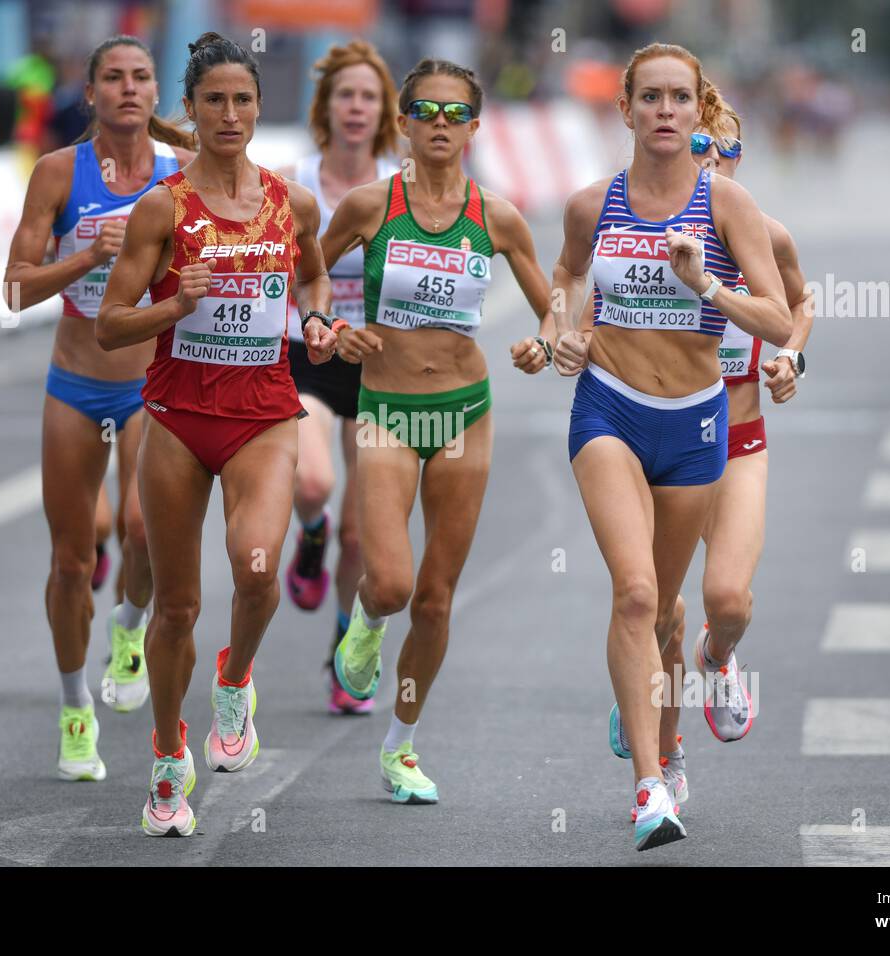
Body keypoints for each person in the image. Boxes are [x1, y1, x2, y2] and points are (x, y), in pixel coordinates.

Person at [548, 42, 792, 850]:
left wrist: (707, 286)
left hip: (696, 423)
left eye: (677, 98)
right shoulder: (592, 204)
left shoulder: (728, 206)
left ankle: (670, 730)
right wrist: (561, 333)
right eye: (647, 97)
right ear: (624, 110)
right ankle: (650, 787)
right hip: (609, 411)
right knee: (636, 594)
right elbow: (565, 280)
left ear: (697, 111)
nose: (663, 111)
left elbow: (778, 319)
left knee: (674, 608)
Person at [96, 32, 338, 837]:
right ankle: (168, 759)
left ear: (258, 108)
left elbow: (311, 272)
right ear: (191, 112)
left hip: (264, 414)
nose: (229, 114)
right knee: (176, 608)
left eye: (242, 100)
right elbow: (108, 324)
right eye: (213, 101)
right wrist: (174, 304)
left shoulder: (290, 202)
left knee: (257, 570)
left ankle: (236, 677)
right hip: (175, 418)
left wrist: (314, 317)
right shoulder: (161, 209)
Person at [321, 59, 553, 804]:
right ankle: (362, 617)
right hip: (385, 410)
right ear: (405, 124)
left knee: (436, 599)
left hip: (464, 413)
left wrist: (543, 344)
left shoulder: (498, 216)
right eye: (428, 111)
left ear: (477, 129)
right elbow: (305, 274)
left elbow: (553, 307)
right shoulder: (367, 206)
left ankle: (401, 746)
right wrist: (329, 326)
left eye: (457, 115)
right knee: (390, 583)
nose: (442, 125)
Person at [603, 99, 815, 811]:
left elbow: (800, 303)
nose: (713, 159)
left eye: (728, 149)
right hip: (665, 433)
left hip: (739, 439)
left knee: (726, 599)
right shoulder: (643, 233)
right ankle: (662, 750)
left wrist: (790, 360)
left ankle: (717, 659)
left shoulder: (764, 233)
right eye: (700, 144)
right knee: (656, 608)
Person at [2, 35, 194, 782]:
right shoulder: (59, 173)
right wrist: (88, 256)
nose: (126, 88)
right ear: (90, 94)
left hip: (153, 384)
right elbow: (14, 290)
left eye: (140, 77)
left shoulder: (185, 178)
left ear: (156, 94)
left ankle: (129, 626)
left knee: (145, 529)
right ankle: (74, 704)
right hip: (76, 385)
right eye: (112, 77)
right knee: (71, 558)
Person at [275, 40, 403, 716]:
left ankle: (341, 650)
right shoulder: (291, 180)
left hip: (379, 367)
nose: (357, 107)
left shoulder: (400, 183)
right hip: (308, 356)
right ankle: (309, 535)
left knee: (363, 534)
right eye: (345, 95)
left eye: (369, 96)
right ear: (325, 106)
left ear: (383, 111)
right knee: (313, 481)